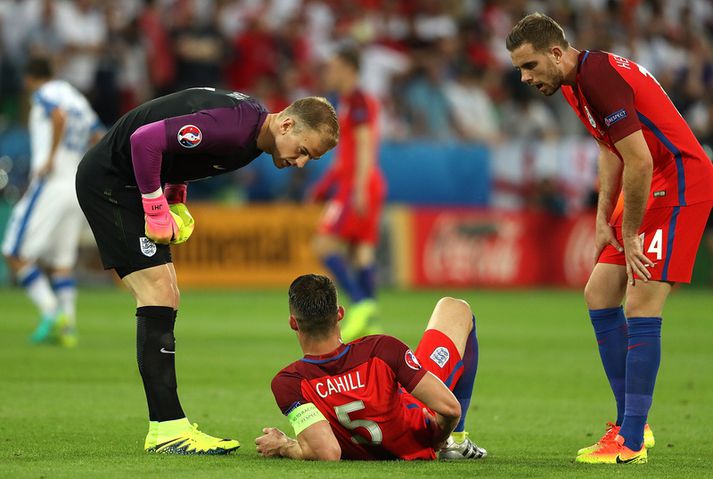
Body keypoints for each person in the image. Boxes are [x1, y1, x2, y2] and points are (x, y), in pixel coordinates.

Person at [75, 88, 339, 455]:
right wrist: (154, 206)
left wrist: (176, 197)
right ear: (288, 123)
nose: (301, 163)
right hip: (111, 183)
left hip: (126, 182)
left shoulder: (250, 138)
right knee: (158, 293)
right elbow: (145, 140)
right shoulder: (235, 129)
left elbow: (182, 150)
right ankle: (167, 429)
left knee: (166, 292)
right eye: (304, 150)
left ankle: (168, 426)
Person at [507, 13, 713, 465]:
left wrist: (633, 231)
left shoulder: (598, 77)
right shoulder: (573, 83)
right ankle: (627, 423)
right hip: (651, 178)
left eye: (529, 66)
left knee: (641, 303)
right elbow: (609, 148)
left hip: (679, 179)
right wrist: (604, 217)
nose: (524, 77)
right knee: (599, 293)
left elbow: (638, 160)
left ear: (556, 53)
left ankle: (633, 441)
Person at [256, 274, 486, 461]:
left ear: (293, 323)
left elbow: (327, 452)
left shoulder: (289, 383)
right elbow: (450, 409)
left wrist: (285, 446)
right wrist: (438, 438)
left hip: (368, 445)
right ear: (340, 314)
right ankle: (456, 441)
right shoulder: (381, 349)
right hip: (418, 432)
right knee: (455, 308)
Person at [2, 57, 103, 347]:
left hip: (50, 183)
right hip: (75, 184)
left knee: (12, 251)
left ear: (28, 78)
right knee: (61, 262)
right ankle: (68, 327)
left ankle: (51, 311)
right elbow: (98, 134)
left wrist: (49, 159)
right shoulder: (76, 98)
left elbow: (57, 117)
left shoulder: (45, 93)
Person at [311, 47, 386, 341]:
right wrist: (326, 183)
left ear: (348, 68)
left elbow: (367, 145)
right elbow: (346, 154)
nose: (329, 72)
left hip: (358, 184)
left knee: (323, 245)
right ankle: (373, 323)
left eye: (334, 66)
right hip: (359, 182)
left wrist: (359, 188)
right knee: (361, 252)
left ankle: (362, 304)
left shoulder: (358, 101)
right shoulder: (344, 102)